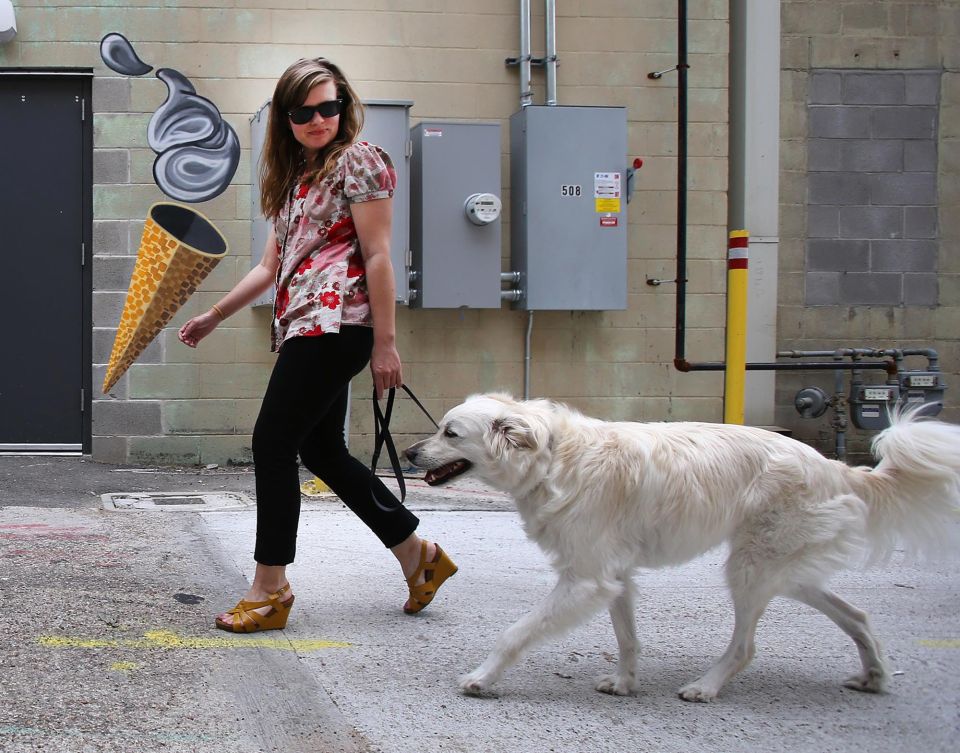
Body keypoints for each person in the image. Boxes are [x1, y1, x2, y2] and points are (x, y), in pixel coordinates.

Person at [178, 57, 457, 632]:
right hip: (306, 326)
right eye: (302, 111)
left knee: (272, 442)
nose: (317, 119)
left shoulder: (360, 160)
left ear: (344, 105)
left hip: (342, 326)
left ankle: (270, 587)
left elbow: (378, 255)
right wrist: (214, 314)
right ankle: (418, 556)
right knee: (323, 452)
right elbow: (270, 266)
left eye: (328, 107)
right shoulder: (295, 179)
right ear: (286, 118)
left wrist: (386, 344)